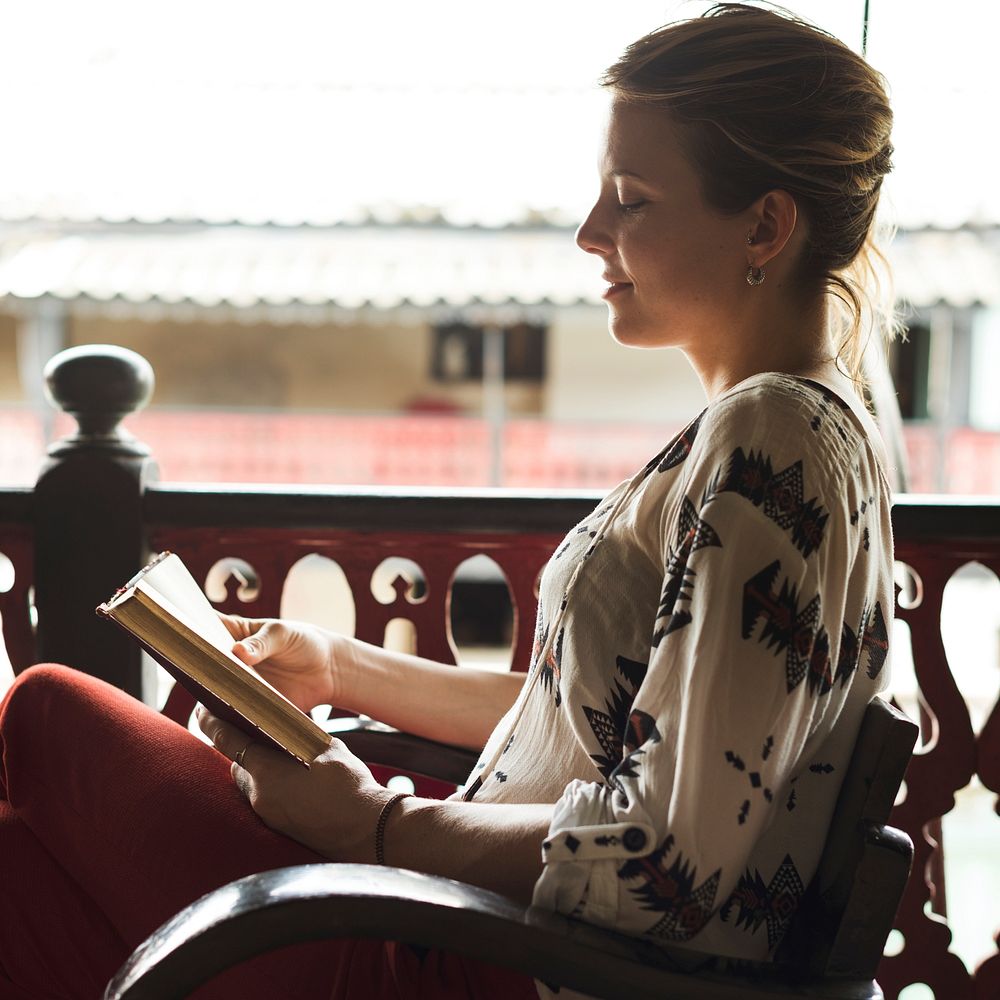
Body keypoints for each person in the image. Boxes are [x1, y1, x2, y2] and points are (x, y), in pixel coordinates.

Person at [0, 4, 896, 998]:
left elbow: (669, 865)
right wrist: (339, 664)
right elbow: (596, 719)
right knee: (20, 876)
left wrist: (371, 824)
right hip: (472, 924)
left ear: (764, 224)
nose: (590, 231)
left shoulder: (771, 437)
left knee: (45, 713)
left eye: (631, 200)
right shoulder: (804, 432)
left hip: (483, 959)